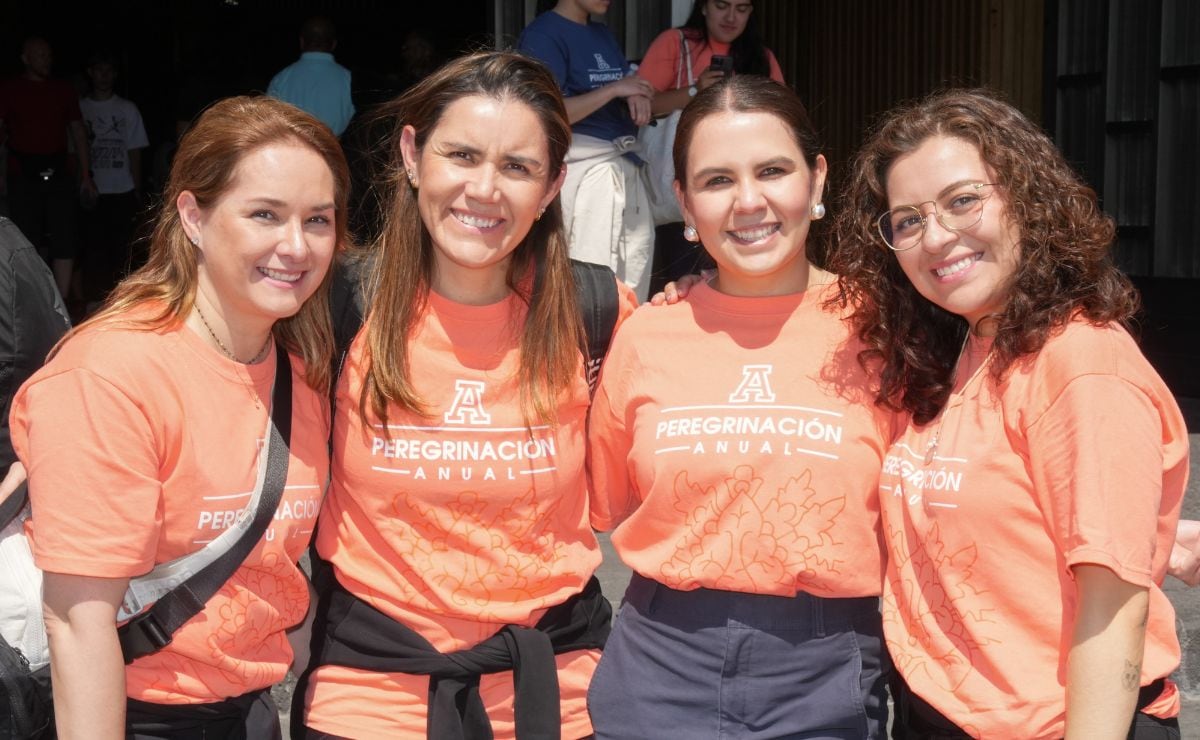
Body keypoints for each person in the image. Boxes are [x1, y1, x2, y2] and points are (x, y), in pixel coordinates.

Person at [296, 51, 636, 740]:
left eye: (517, 167)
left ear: (551, 187)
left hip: (558, 694)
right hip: (370, 696)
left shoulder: (599, 311)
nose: (485, 189)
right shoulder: (335, 308)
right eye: (461, 155)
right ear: (413, 154)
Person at [828, 88, 1187, 738]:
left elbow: (1113, 612)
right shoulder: (963, 344)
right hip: (941, 713)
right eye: (907, 220)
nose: (935, 236)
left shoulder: (1081, 364)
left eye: (963, 200)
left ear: (1026, 198)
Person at [11, 95, 349, 739]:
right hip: (129, 713)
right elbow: (78, 622)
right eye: (264, 215)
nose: (296, 245)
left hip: (249, 710)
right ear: (193, 217)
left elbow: (278, 574)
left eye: (319, 220)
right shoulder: (108, 375)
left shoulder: (304, 374)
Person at [586, 75, 893, 738]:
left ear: (815, 180)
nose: (749, 201)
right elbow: (606, 502)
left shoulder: (888, 329)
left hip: (829, 666)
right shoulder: (645, 333)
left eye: (773, 171)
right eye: (717, 180)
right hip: (659, 663)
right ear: (685, 204)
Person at [636, 0, 786, 294]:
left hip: (746, 189)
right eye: (721, 5)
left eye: (742, 9)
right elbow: (642, 105)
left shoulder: (760, 56)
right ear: (703, 7)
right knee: (681, 287)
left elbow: (784, 116)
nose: (731, 16)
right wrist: (695, 91)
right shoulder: (675, 43)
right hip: (687, 193)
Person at [518, 0, 657, 300]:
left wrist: (636, 95)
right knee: (591, 289)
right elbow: (543, 112)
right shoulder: (543, 34)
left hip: (623, 161)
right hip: (584, 171)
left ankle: (624, 347)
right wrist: (614, 90)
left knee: (632, 282)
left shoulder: (602, 34)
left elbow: (626, 85)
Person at [0, 36, 96, 300]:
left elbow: (77, 131)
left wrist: (86, 175)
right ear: (25, 58)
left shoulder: (63, 90)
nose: (46, 59)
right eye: (40, 54)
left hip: (59, 171)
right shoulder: (9, 89)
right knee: (25, 239)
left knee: (65, 238)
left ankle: (61, 302)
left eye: (48, 54)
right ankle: (30, 301)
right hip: (22, 172)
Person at [79, 50, 150, 307]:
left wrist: (137, 188)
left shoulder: (126, 108)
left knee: (122, 249)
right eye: (99, 70)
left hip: (122, 188)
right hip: (94, 190)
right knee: (93, 248)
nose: (104, 76)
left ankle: (123, 301)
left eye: (109, 70)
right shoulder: (81, 107)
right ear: (90, 73)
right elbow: (73, 149)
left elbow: (135, 149)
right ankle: (93, 303)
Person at [268, 16, 355, 137]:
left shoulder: (281, 79)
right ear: (334, 44)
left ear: (302, 42)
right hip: (334, 151)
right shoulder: (349, 79)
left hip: (291, 149)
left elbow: (269, 122)